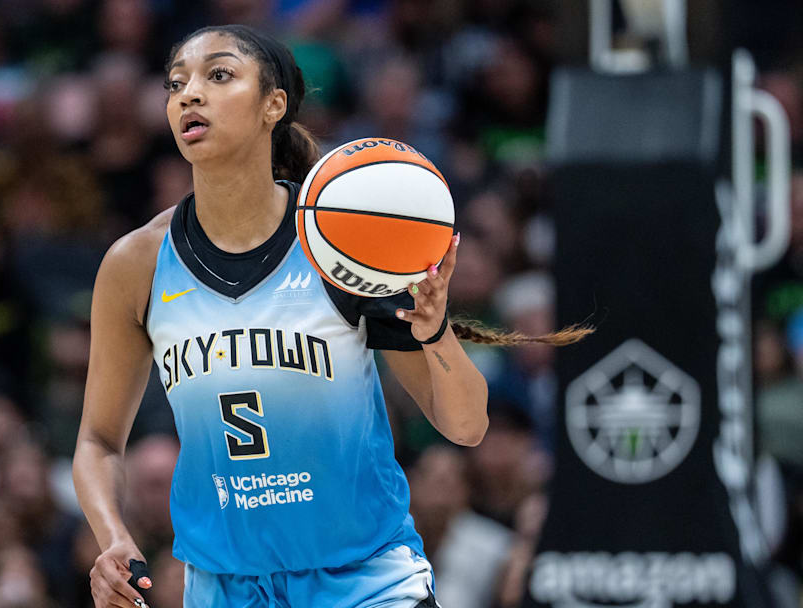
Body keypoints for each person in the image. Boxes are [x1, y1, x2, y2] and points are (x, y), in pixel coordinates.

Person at [72, 24, 591, 608]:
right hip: (224, 591)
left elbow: (466, 426)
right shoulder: (136, 262)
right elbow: (97, 439)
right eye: (176, 83)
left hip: (366, 584)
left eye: (218, 75)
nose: (189, 94)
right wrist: (113, 538)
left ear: (274, 104)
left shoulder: (341, 237)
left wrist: (436, 332)